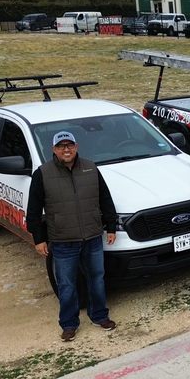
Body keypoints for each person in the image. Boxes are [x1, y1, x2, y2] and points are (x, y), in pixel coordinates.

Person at [26, 131, 118, 342]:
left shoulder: (91, 168)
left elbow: (105, 199)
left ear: (76, 146)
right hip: (62, 241)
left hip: (92, 237)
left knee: (97, 279)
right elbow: (33, 211)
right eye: (61, 146)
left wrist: (111, 226)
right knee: (66, 285)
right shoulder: (43, 174)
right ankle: (69, 324)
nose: (66, 150)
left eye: (69, 145)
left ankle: (99, 316)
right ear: (54, 150)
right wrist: (38, 239)